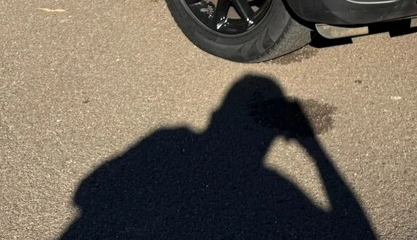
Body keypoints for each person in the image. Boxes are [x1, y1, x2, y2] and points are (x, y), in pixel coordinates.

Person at [60, 75, 375, 240]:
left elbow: (86, 193)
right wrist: (317, 154)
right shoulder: (276, 186)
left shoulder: (169, 141)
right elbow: (355, 231)